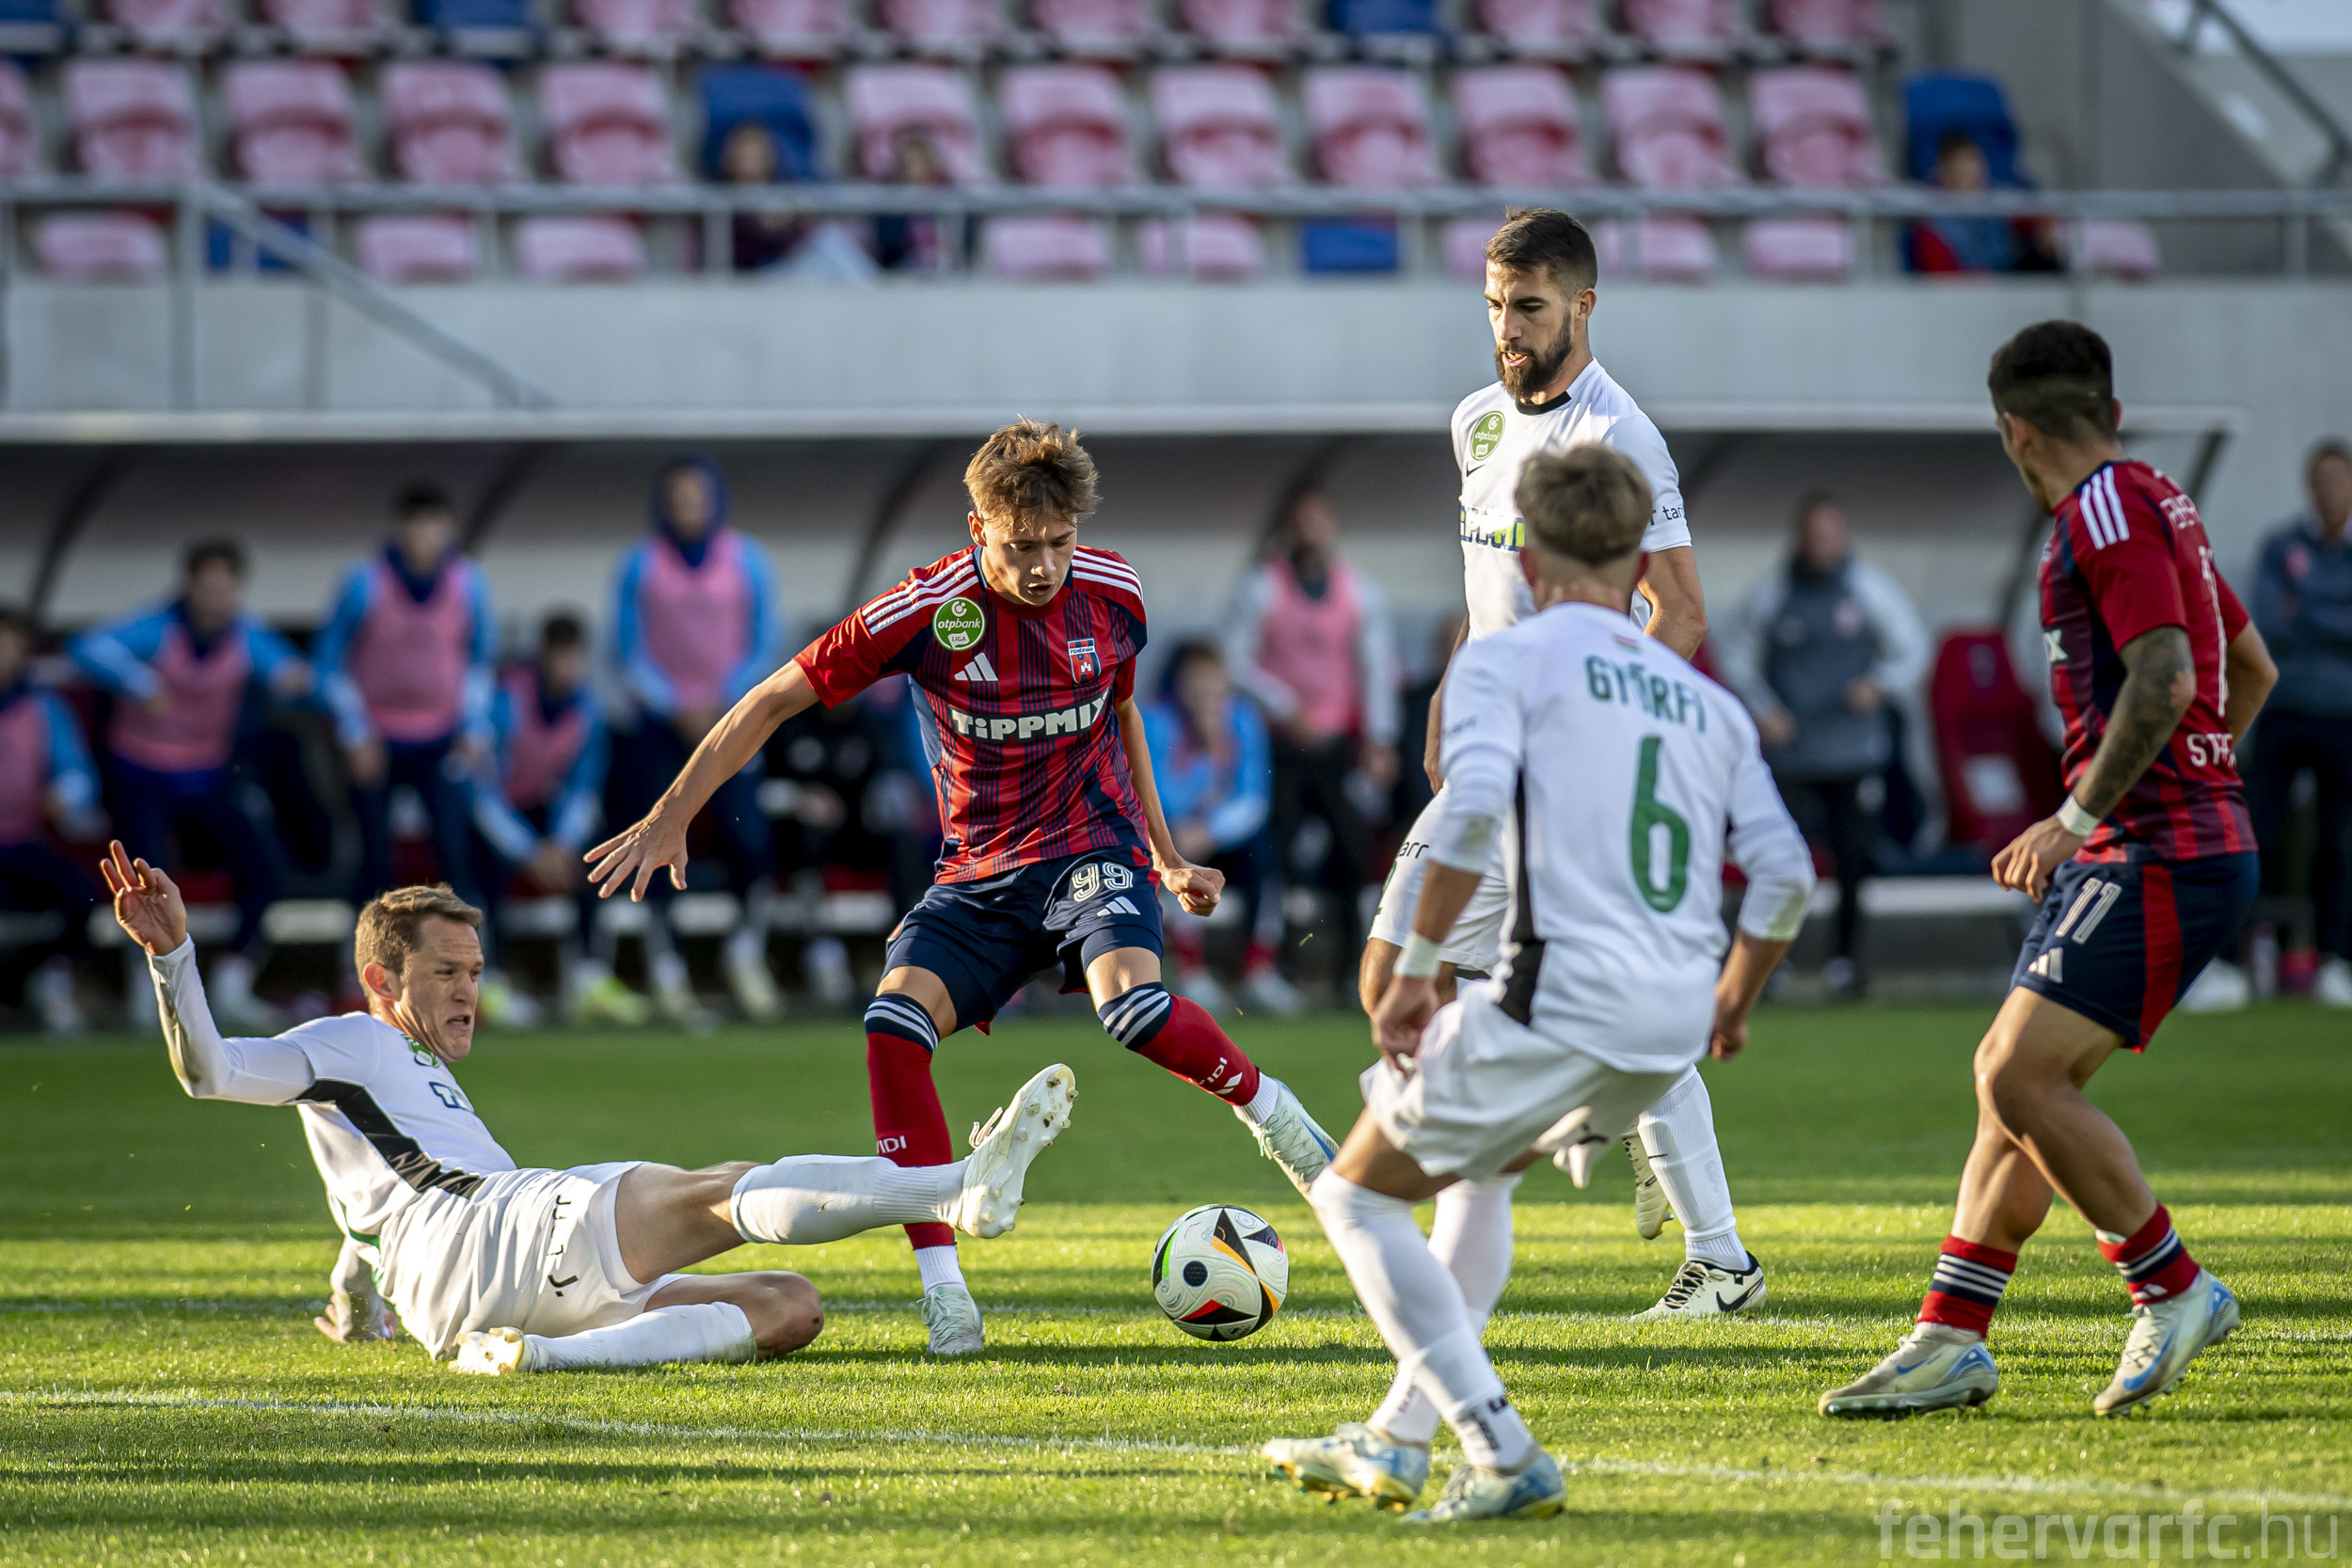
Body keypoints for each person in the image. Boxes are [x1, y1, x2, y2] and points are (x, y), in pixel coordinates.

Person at [588, 420, 1339, 1356]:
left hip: (1090, 846)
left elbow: (1123, 712)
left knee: (1134, 1010)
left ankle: (1274, 1114)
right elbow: (776, 696)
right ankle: (946, 1293)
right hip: (977, 874)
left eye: (1059, 541)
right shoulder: (924, 609)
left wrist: (1167, 853)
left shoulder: (1115, 592)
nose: (1043, 566)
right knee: (891, 1029)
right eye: (1021, 547)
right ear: (978, 527)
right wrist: (673, 813)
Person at [1263, 448, 1813, 1523]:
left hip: (1558, 1001)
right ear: (1640, 557)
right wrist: (1732, 1002)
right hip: (1669, 1026)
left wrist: (1415, 971)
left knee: (1355, 1194)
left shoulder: (1505, 659)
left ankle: (1501, 1447)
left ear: (1523, 551)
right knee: (1477, 1179)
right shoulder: (1705, 702)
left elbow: (1470, 815)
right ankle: (1396, 1438)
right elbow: (1786, 872)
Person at [102, 851, 1077, 1373]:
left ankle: (537, 1355)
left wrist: (357, 1311)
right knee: (717, 1189)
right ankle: (954, 1187)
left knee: (789, 1305)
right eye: (445, 973)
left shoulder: (396, 1087)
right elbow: (211, 1072)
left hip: (473, 1284)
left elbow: (372, 1224)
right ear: (380, 980)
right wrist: (172, 956)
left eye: (475, 971)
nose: (467, 991)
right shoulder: (351, 1038)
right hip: (494, 1232)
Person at [1820, 321, 2276, 1420]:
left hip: (2152, 849)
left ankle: (2172, 1285)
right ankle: (1950, 1334)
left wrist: (2081, 816)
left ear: (2014, 432)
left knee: (2015, 1079)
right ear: (2109, 412)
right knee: (2014, 1091)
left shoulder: (2100, 512)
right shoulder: (2158, 496)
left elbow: (2165, 677)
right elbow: (2248, 666)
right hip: (2167, 839)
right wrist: (2203, 780)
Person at [1360, 207, 1759, 1329]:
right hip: (1488, 751)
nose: (1507, 328)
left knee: (1590, 998)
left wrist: (1597, 734)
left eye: (1529, 307)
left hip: (1565, 774)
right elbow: (1491, 584)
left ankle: (1714, 1256)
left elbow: (1680, 614)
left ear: (1583, 306)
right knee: (1392, 975)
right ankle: (1585, 1126)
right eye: (1494, 305)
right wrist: (1450, 684)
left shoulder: (1620, 433)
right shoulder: (1475, 422)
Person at [71, 540, 313, 1033]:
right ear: (189, 585)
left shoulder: (246, 635)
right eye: (207, 584)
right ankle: (148, 988)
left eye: (225, 586)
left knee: (264, 868)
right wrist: (138, 681)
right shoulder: (158, 627)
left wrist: (295, 681)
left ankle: (233, 982)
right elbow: (87, 647)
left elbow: (295, 672)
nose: (215, 596)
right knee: (144, 880)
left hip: (207, 774)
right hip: (141, 771)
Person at [1716, 493, 1929, 998]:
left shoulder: (1869, 588)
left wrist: (1880, 684)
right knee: (1775, 859)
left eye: (1830, 535)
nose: (1822, 545)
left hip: (1853, 752)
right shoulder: (1771, 593)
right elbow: (1736, 655)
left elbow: (1913, 650)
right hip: (1791, 754)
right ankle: (1770, 964)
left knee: (1854, 862)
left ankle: (1845, 963)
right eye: (1813, 536)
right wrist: (1764, 709)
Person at [612, 454, 788, 1023]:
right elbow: (626, 649)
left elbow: (766, 640)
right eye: (678, 498)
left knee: (749, 838)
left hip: (731, 722)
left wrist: (725, 701)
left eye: (696, 497)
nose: (688, 508)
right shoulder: (640, 565)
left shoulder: (748, 561)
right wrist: (673, 703)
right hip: (662, 728)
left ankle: (745, 953)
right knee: (658, 836)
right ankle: (666, 965)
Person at [1225, 488, 1399, 985]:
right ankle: (1270, 967)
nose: (1311, 531)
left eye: (1318, 520)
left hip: (1335, 745)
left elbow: (1375, 667)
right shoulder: (1262, 586)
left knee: (1354, 851)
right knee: (1273, 852)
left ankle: (1352, 969)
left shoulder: (1356, 588)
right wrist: (1283, 704)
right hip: (1278, 745)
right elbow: (1233, 659)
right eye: (1302, 521)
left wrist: (1380, 738)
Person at [317, 484, 495, 920]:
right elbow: (329, 663)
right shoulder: (364, 582)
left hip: (440, 736)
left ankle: (468, 948)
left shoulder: (468, 583)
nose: (424, 536)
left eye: (433, 525)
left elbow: (480, 660)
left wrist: (475, 728)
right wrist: (355, 734)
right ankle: (362, 949)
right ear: (399, 528)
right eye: (415, 525)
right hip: (376, 737)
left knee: (454, 847)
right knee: (374, 854)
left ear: (448, 530)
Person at [469, 610, 647, 1028]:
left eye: (575, 658)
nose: (569, 668)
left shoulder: (587, 709)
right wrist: (528, 851)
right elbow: (481, 790)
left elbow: (584, 785)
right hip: (499, 814)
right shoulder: (506, 701)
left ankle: (588, 976)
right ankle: (489, 982)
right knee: (479, 866)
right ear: (544, 657)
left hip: (544, 812)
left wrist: (562, 844)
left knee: (595, 856)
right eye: (561, 657)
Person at [2246, 438, 2352, 1008]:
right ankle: (2238, 959)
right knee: (2257, 833)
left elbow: (2294, 617)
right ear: (2310, 486)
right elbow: (2267, 621)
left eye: (2340, 479)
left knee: (2340, 842)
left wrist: (2306, 607)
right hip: (2284, 710)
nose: (2331, 491)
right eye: (2323, 480)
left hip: (2344, 715)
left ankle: (2336, 960)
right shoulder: (2281, 545)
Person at [1143, 640, 1296, 1016]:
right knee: (1176, 858)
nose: (1205, 695)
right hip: (1172, 831)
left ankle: (1259, 970)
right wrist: (1204, 757)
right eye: (1195, 685)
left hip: (1221, 834)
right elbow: (1155, 793)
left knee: (1265, 854)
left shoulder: (1243, 719)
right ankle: (1191, 972)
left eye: (1213, 685)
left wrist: (1210, 829)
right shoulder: (1155, 721)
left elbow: (1254, 798)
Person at [0, 606, 103, 1035]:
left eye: (8, 643)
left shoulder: (43, 707)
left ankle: (48, 983)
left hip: (21, 841)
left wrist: (64, 795)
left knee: (84, 898)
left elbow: (79, 775)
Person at [1903, 129, 2060, 276]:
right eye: (1961, 168)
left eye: (1973, 162)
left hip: (2005, 278)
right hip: (1966, 287)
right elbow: (1943, 280)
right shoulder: (1931, 223)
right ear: (1946, 173)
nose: (1970, 173)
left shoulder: (1997, 196)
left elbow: (2036, 218)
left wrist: (2044, 231)